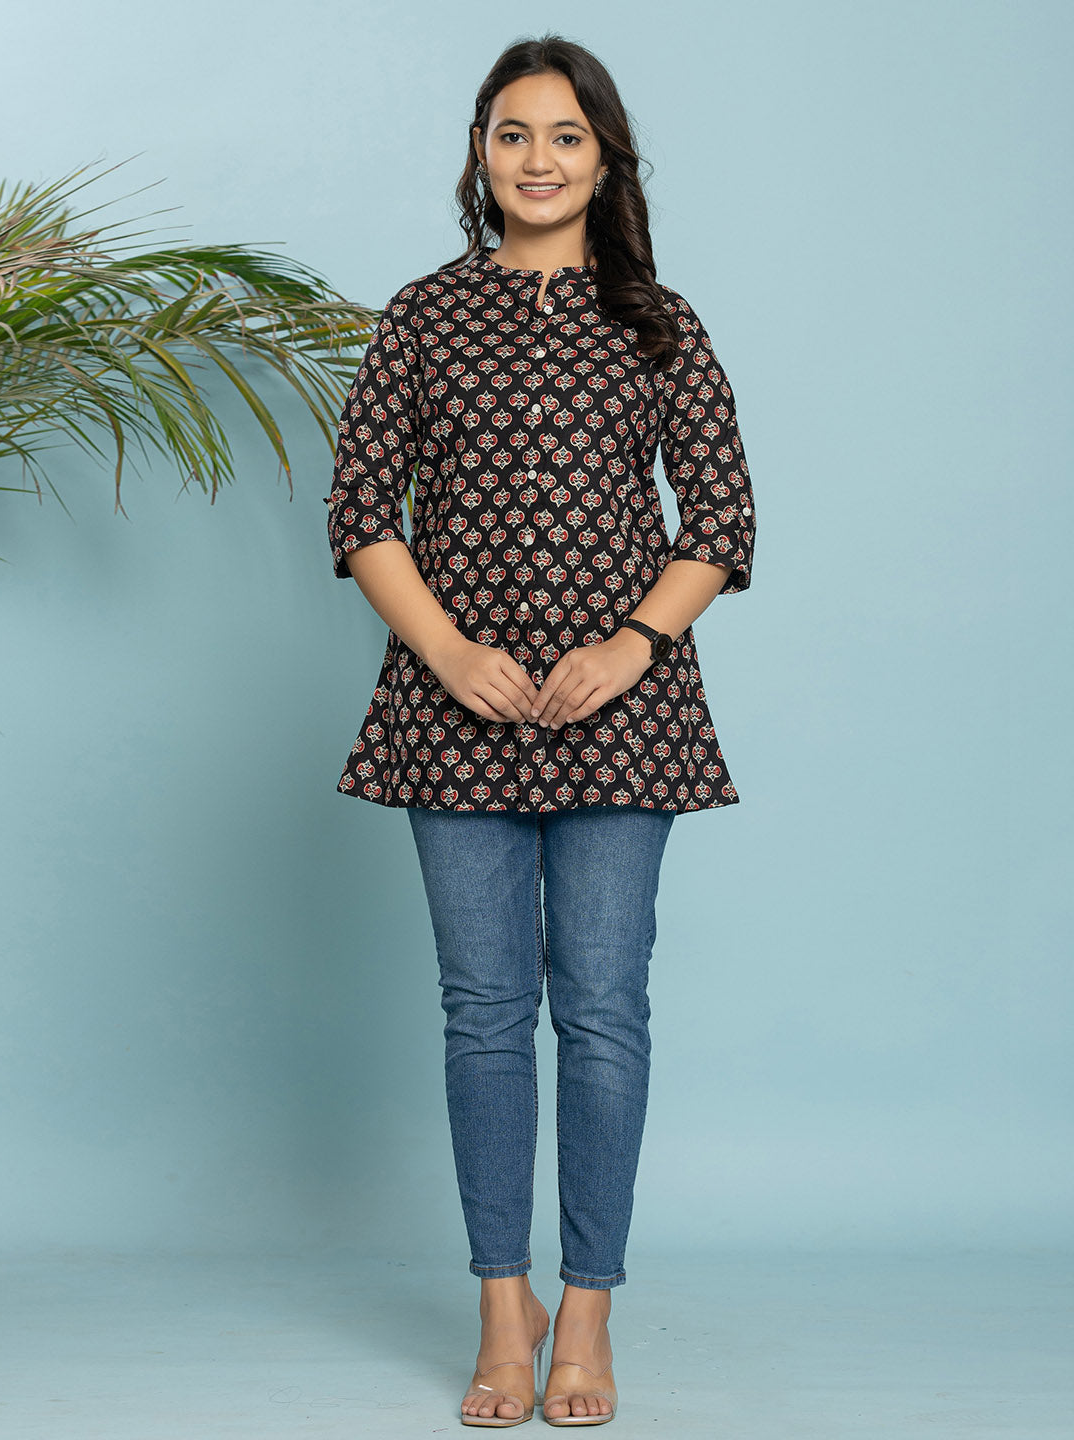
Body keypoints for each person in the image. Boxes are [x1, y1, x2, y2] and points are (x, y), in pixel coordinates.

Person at [324, 34, 756, 1428]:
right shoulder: (423, 316)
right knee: (485, 1013)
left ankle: (591, 1311)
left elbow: (723, 519)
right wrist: (449, 652)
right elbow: (359, 511)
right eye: (513, 133)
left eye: (567, 135)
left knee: (605, 1010)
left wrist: (630, 647)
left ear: (606, 159)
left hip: (624, 719)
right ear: (480, 153)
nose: (539, 158)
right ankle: (500, 1309)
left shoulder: (660, 321)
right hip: (456, 716)